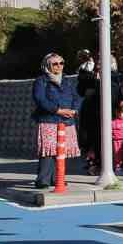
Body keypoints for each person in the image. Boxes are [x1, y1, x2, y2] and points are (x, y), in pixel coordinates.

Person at [31, 52, 78, 189]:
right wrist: (57, 110)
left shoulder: (67, 81)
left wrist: (74, 110)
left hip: (66, 121)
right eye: (55, 64)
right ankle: (43, 179)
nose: (59, 66)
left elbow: (77, 97)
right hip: (49, 119)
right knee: (48, 150)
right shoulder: (41, 81)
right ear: (47, 65)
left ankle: (57, 178)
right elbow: (40, 99)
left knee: (61, 151)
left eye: (61, 63)